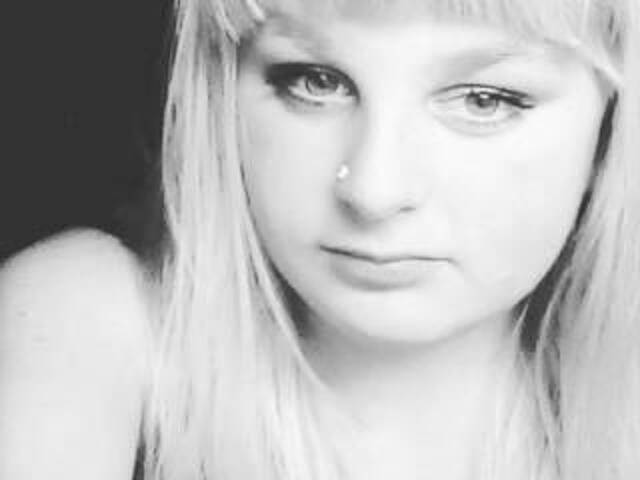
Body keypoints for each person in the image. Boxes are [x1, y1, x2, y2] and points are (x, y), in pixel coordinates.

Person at [2, 0, 640, 479]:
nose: (373, 190)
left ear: (609, 129)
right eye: (315, 80)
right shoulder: (85, 322)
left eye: (483, 100)